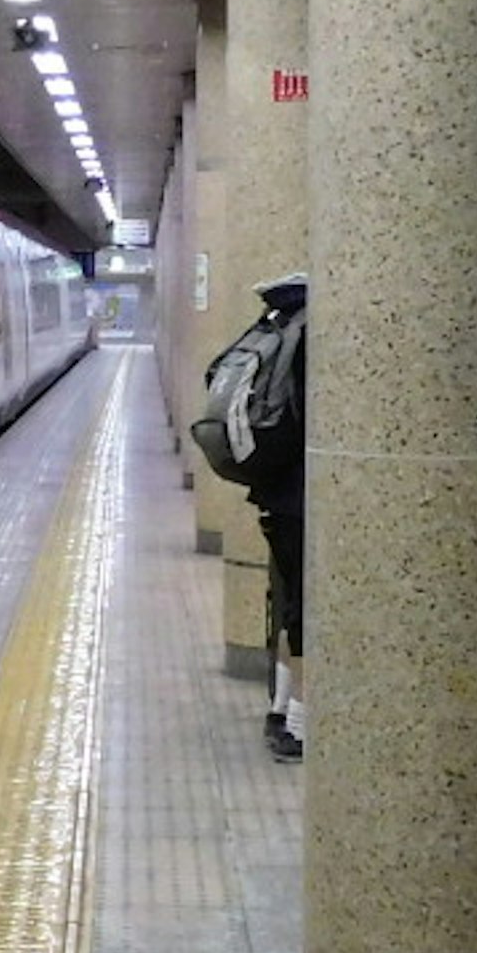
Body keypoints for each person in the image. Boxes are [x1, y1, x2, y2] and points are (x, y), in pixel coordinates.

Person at [193, 273, 309, 759]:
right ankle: (297, 726)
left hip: (274, 491)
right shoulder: (312, 337)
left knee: (294, 606)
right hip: (301, 495)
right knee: (310, 611)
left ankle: (282, 708)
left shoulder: (274, 327)